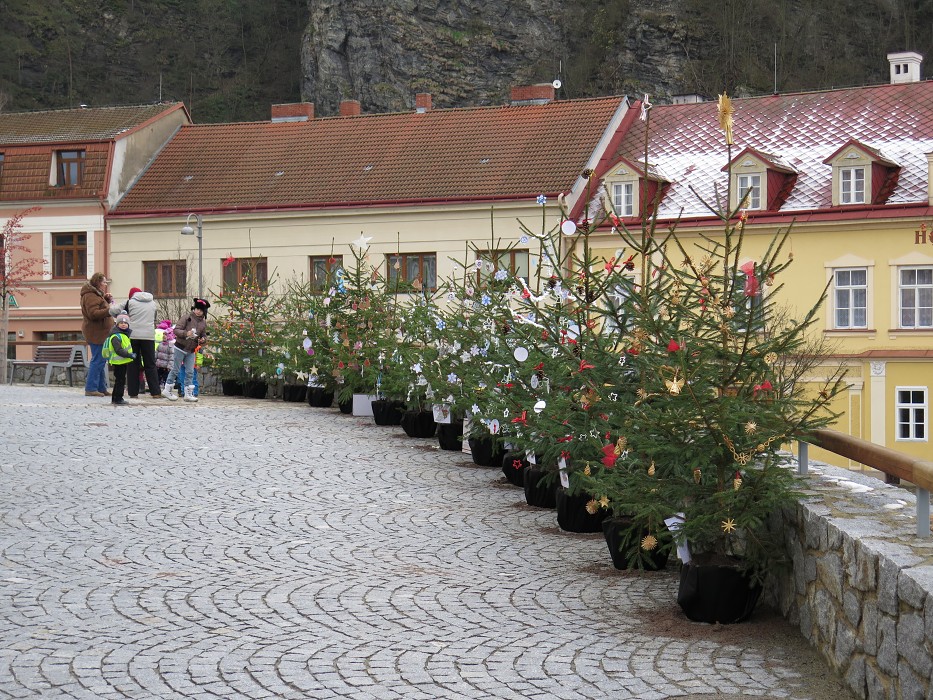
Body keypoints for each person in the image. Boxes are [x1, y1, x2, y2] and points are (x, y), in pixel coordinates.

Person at [112, 287, 163, 399]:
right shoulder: (153, 303)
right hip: (149, 336)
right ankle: (155, 392)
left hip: (133, 336)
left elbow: (112, 310)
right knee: (150, 364)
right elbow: (154, 317)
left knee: (133, 364)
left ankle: (133, 393)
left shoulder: (130, 302)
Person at [163, 297, 209, 402]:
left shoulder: (203, 323)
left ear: (203, 312)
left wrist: (203, 340)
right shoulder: (186, 318)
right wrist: (186, 333)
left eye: (200, 310)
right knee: (176, 369)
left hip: (192, 350)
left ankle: (188, 393)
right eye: (197, 309)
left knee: (190, 371)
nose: (198, 311)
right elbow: (176, 330)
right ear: (194, 308)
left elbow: (204, 335)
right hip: (180, 347)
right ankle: (167, 389)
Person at [80, 272, 114, 396]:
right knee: (98, 360)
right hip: (96, 333)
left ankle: (100, 388)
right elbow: (93, 313)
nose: (105, 284)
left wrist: (106, 300)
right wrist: (110, 310)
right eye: (104, 282)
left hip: (100, 332)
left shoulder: (95, 295)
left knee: (100, 360)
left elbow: (98, 307)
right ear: (97, 282)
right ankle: (91, 388)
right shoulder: (90, 295)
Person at [102, 314, 136, 406]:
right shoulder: (116, 336)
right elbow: (118, 350)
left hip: (123, 361)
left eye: (125, 323)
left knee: (120, 380)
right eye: (121, 322)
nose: (123, 324)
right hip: (118, 361)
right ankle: (118, 398)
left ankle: (116, 398)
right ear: (117, 324)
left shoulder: (123, 335)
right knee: (120, 380)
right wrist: (129, 355)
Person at [155, 320, 175, 389]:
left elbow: (171, 357)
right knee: (157, 378)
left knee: (166, 379)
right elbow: (156, 353)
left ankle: (166, 389)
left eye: (165, 335)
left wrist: (169, 366)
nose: (164, 336)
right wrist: (154, 362)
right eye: (163, 335)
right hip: (158, 365)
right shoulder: (160, 344)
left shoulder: (170, 346)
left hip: (166, 367)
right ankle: (156, 389)